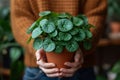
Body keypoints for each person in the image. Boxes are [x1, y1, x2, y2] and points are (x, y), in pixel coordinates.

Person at [11, 0, 107, 80]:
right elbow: (20, 17)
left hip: (82, 68)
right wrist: (39, 47)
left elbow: (96, 14)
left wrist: (79, 47)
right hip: (38, 70)